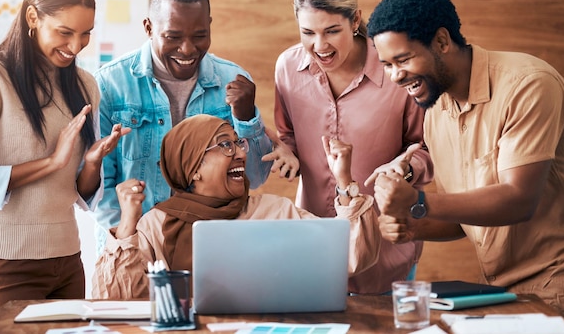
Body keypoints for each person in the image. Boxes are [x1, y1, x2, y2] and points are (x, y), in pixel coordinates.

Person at [367, 0, 564, 314]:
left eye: (403, 59)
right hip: (495, 291)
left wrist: (418, 201)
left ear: (442, 41)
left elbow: (519, 200)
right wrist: (410, 226)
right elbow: (464, 217)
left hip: (555, 285)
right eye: (386, 64)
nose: (395, 76)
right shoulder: (435, 114)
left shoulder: (528, 85)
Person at [0, 0, 129, 318]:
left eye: (85, 34)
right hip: (5, 266)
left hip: (67, 261)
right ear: (33, 17)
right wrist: (51, 162)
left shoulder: (85, 85)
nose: (75, 47)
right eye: (64, 32)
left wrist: (91, 162)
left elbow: (79, 193)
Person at [263, 0, 433, 294]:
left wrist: (405, 169)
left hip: (386, 247)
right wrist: (287, 151)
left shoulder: (397, 70)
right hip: (313, 243)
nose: (319, 45)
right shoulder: (287, 67)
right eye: (307, 32)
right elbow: (290, 137)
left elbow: (425, 147)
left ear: (355, 20)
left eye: (331, 31)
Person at [92, 114, 380, 299]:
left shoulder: (276, 211)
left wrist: (344, 181)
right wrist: (128, 222)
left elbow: (352, 258)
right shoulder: (155, 224)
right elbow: (114, 300)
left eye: (238, 143)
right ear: (193, 168)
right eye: (225, 146)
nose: (241, 153)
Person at [93, 0, 274, 250]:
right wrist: (136, 236)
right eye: (173, 37)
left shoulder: (233, 80)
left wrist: (246, 117)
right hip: (132, 245)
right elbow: (96, 188)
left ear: (210, 26)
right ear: (149, 27)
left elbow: (255, 178)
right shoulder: (109, 85)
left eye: (200, 36)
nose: (188, 49)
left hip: (212, 245)